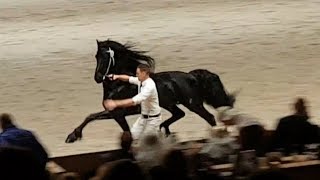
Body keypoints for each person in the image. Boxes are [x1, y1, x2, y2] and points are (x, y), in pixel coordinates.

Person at [103, 64, 162, 140]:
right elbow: (129, 78)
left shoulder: (149, 87)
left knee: (146, 143)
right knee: (132, 138)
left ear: (144, 73)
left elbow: (133, 101)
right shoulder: (141, 81)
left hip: (153, 121)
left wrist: (115, 103)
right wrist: (117, 76)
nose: (136, 75)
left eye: (138, 73)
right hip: (143, 118)